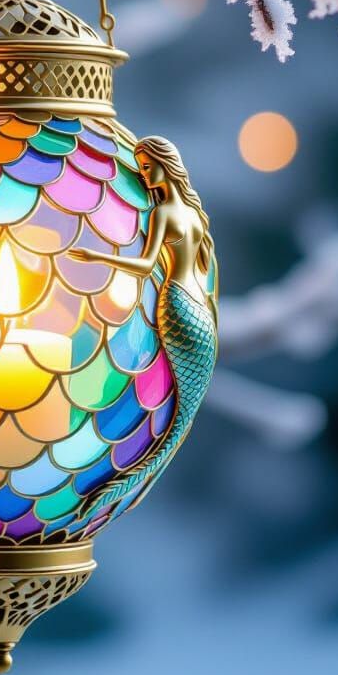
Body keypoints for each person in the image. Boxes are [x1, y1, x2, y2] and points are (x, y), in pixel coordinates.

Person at [67, 135, 218, 518]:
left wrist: (96, 257)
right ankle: (113, 492)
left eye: (147, 167)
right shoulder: (193, 213)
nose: (144, 176)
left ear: (164, 166)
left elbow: (146, 265)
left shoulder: (165, 212)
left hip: (177, 307)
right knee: (179, 419)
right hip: (199, 307)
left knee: (177, 418)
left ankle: (105, 496)